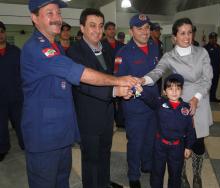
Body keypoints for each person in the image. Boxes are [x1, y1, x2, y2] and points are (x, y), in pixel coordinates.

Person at [21, 1, 138, 188]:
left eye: (58, 13)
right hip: (43, 135)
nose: (57, 18)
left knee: (61, 182)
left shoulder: (58, 48)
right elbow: (80, 75)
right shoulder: (38, 48)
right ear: (34, 18)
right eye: (49, 13)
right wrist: (118, 82)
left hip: (62, 131)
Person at [141, 17, 213, 188]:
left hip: (200, 98)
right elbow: (157, 72)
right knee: (179, 139)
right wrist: (143, 80)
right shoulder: (169, 56)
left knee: (198, 141)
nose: (187, 37)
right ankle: (181, 174)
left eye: (189, 33)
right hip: (178, 101)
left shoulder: (201, 52)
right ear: (174, 37)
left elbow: (207, 78)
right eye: (182, 33)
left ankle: (197, 174)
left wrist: (196, 98)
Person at [67, 8, 125, 188]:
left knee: (105, 154)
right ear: (82, 28)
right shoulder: (74, 52)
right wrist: (115, 91)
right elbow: (84, 84)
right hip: (88, 117)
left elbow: (110, 75)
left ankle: (104, 183)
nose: (97, 30)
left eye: (100, 26)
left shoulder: (106, 48)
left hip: (107, 114)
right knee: (91, 160)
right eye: (92, 26)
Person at [115, 14, 160, 188]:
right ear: (131, 31)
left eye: (147, 28)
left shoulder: (154, 46)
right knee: (135, 142)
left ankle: (147, 165)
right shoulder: (123, 53)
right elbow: (119, 80)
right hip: (135, 106)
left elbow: (158, 73)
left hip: (153, 104)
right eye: (140, 28)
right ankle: (134, 175)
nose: (145, 31)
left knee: (151, 138)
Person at [139, 73, 196, 188]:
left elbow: (190, 130)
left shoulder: (186, 108)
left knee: (175, 174)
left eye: (177, 88)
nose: (174, 92)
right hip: (160, 145)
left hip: (177, 147)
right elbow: (148, 99)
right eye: (170, 88)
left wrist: (188, 147)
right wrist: (140, 91)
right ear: (165, 91)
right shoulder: (160, 103)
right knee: (157, 172)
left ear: (182, 91)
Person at [0, 21, 24, 162]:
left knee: (21, 123)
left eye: (2, 32)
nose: (0, 35)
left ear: (5, 33)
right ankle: (2, 148)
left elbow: (23, 73)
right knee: (1, 126)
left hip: (16, 97)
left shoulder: (15, 51)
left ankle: (25, 145)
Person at [102, 21, 125, 128]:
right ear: (105, 31)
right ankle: (109, 122)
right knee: (109, 99)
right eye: (109, 29)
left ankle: (120, 121)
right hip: (106, 76)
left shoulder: (121, 45)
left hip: (120, 75)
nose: (112, 31)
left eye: (113, 28)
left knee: (121, 99)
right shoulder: (100, 44)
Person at [204, 32, 220, 103]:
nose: (214, 39)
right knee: (207, 85)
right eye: (213, 38)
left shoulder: (218, 46)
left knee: (215, 84)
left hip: (217, 70)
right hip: (209, 71)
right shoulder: (206, 48)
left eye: (215, 38)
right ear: (209, 39)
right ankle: (204, 98)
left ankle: (212, 97)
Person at [150, 22, 164, 93]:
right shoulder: (146, 43)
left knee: (158, 90)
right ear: (151, 31)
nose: (159, 32)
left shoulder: (160, 43)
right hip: (150, 71)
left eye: (159, 30)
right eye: (157, 30)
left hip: (159, 71)